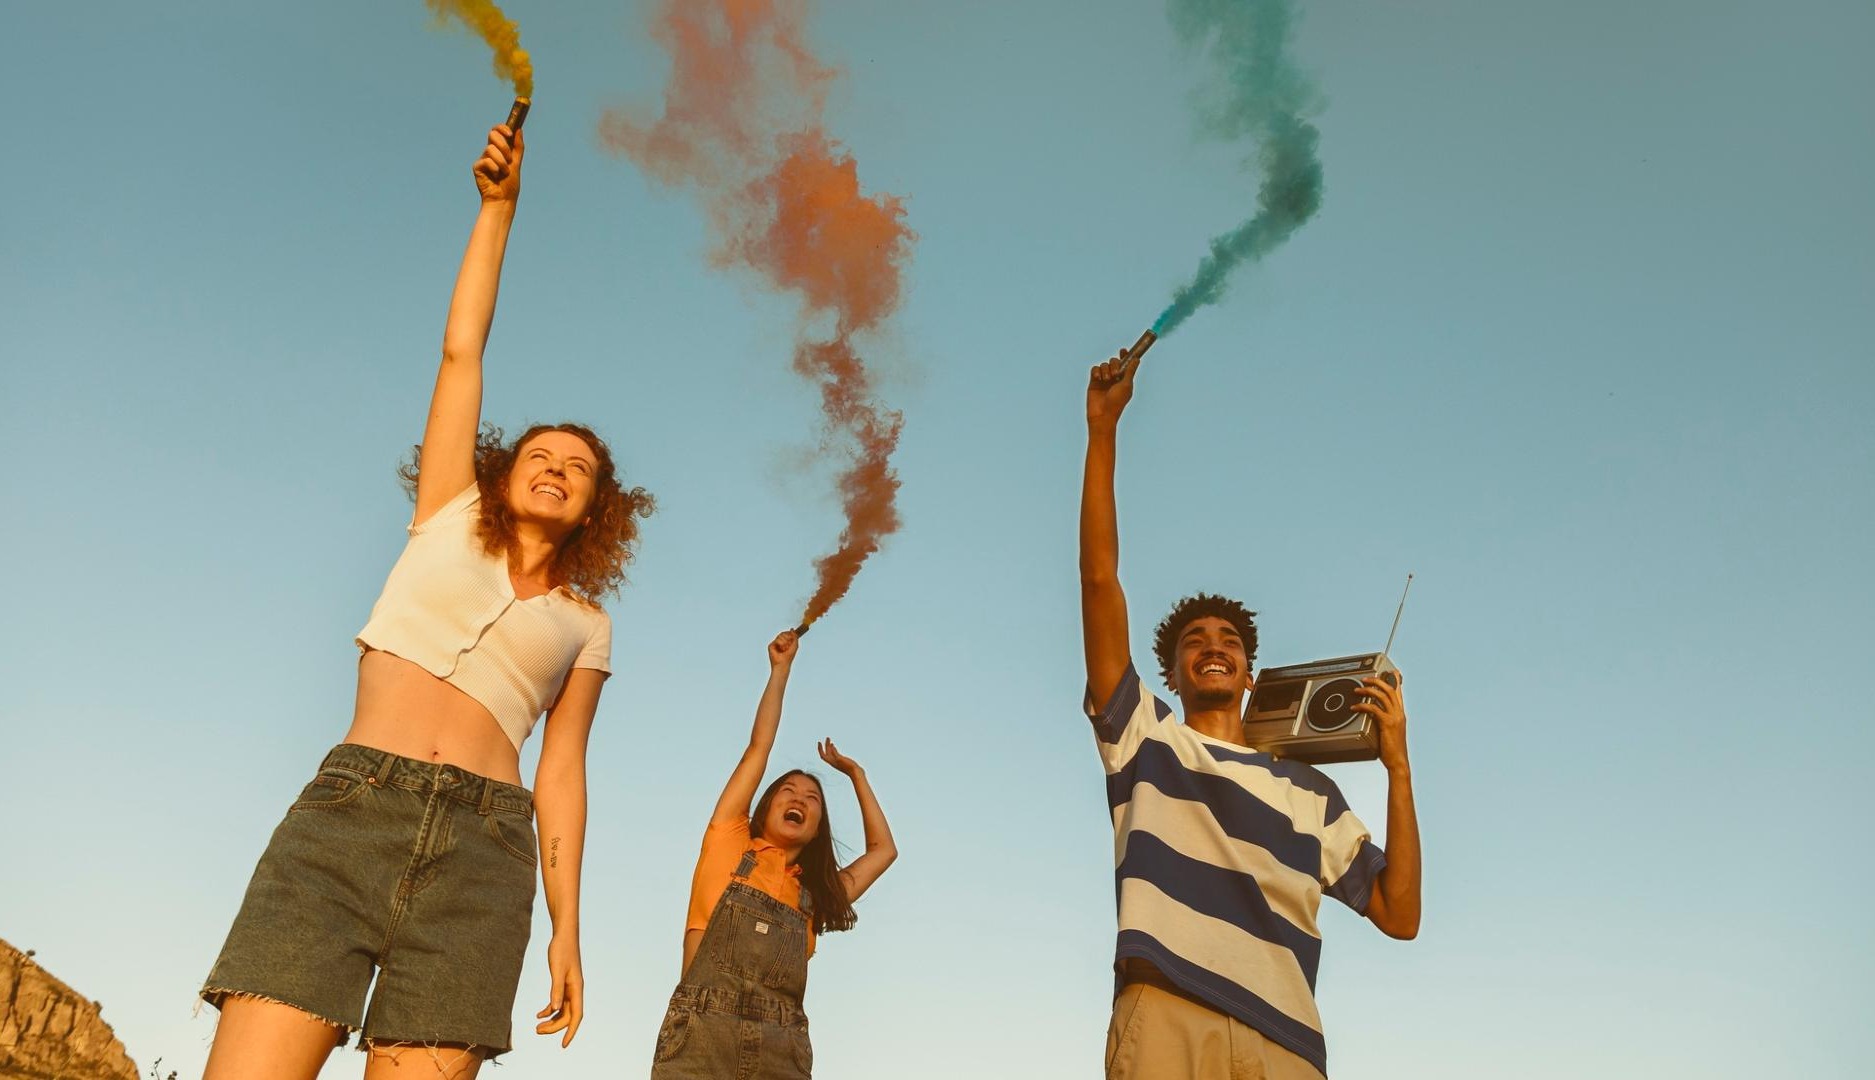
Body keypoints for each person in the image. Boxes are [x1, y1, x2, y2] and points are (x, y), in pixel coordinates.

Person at [199, 120, 653, 1080]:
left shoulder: (587, 625)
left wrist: (567, 928)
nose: (556, 468)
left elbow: (562, 771)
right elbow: (461, 353)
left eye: (577, 468)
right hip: (349, 818)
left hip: (487, 860)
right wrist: (499, 211)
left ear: (596, 509)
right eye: (540, 454)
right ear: (501, 472)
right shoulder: (448, 513)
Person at [1078, 346, 1422, 1080]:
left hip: (1287, 1040)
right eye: (1194, 642)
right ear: (1171, 673)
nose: (1213, 646)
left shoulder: (1312, 793)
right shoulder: (1146, 739)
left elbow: (1400, 915)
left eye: (1229, 641)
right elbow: (1100, 580)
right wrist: (1102, 433)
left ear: (1248, 675)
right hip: (1168, 1008)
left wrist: (1397, 765)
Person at [650, 629, 899, 1079]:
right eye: (788, 790)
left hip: (782, 1054)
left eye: (812, 798)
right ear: (764, 808)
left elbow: (884, 851)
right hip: (701, 1042)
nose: (800, 798)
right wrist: (780, 671)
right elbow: (759, 748)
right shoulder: (728, 840)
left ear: (818, 828)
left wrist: (857, 775)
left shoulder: (816, 894)